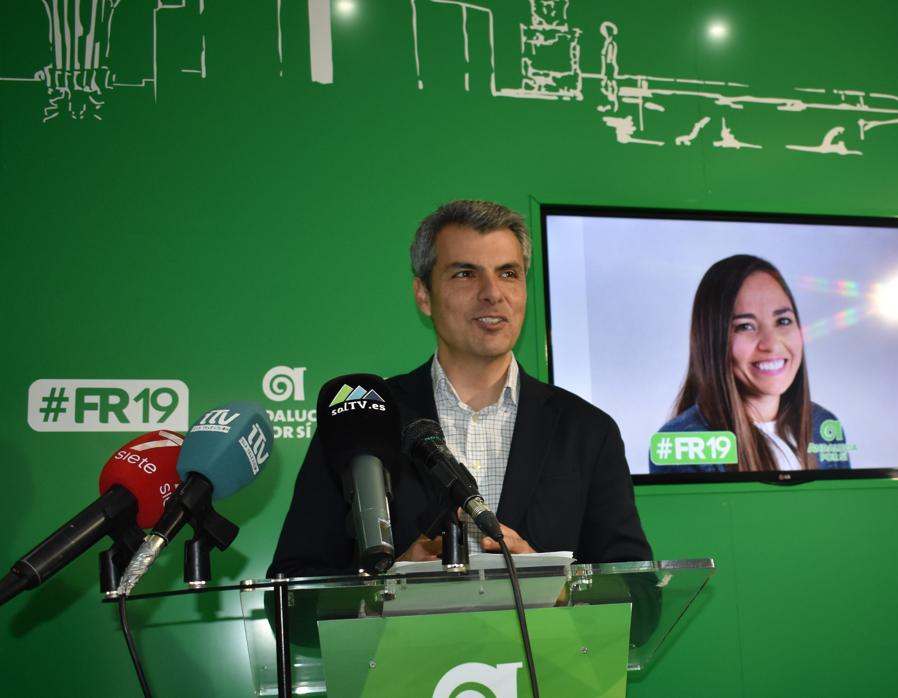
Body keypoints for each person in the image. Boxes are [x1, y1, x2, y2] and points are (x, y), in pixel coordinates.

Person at [269, 200, 651, 577]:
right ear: (423, 295)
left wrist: (553, 585)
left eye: (508, 273)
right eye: (465, 274)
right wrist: (388, 584)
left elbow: (641, 603)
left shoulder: (587, 430)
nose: (492, 293)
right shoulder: (363, 420)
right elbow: (292, 588)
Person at [650, 254, 850, 473]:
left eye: (783, 321)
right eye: (745, 326)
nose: (771, 344)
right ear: (713, 340)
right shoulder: (682, 445)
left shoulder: (824, 426)